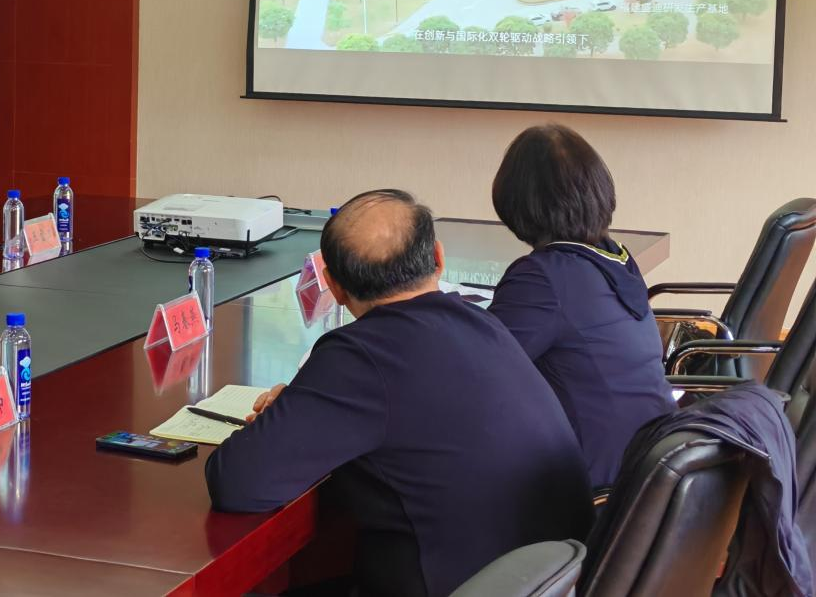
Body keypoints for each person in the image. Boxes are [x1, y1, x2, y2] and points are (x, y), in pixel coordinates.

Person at [206, 190, 592, 597]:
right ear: (438, 258)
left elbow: (238, 482)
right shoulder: (485, 325)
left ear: (333, 286)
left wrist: (289, 414)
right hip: (551, 582)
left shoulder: (362, 356)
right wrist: (305, 408)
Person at [488, 124, 674, 489]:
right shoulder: (615, 257)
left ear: (516, 201)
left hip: (592, 487)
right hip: (643, 467)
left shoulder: (543, 278)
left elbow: (477, 370)